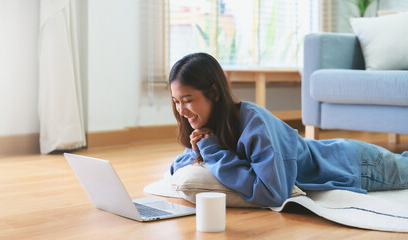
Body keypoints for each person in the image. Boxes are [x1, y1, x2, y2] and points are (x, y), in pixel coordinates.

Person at [168, 52, 408, 207]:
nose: (181, 110)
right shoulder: (212, 127)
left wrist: (214, 152)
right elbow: (176, 170)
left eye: (188, 100)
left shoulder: (254, 122)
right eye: (177, 101)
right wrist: (199, 147)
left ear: (214, 92)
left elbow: (273, 193)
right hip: (339, 154)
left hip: (357, 164)